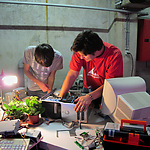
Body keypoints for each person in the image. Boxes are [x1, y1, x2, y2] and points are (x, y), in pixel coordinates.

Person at [59, 30, 123, 112]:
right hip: (88, 90)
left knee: (103, 116)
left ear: (95, 51)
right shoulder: (81, 50)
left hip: (106, 91)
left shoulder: (114, 55)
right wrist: (60, 98)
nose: (81, 57)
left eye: (83, 56)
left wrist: (90, 97)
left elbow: (111, 85)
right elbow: (73, 73)